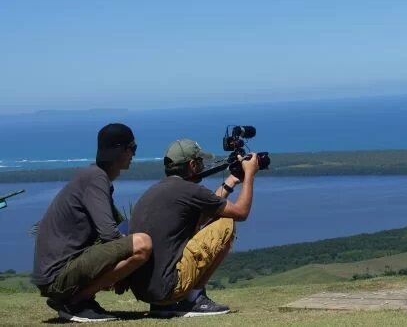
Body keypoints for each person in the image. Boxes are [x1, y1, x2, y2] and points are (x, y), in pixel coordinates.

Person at [32, 123, 153, 322]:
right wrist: (125, 268)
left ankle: (78, 301)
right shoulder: (95, 179)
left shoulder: (93, 176)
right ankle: (76, 302)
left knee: (132, 237)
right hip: (58, 277)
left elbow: (115, 228)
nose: (133, 154)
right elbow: (109, 234)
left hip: (58, 273)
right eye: (132, 148)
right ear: (119, 151)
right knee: (142, 243)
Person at [128, 139, 259, 317]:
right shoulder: (189, 190)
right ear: (192, 165)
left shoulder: (156, 191)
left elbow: (207, 209)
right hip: (169, 288)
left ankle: (165, 305)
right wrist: (249, 174)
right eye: (200, 162)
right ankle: (193, 299)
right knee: (226, 222)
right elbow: (241, 212)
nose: (203, 166)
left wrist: (231, 182)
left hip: (146, 292)